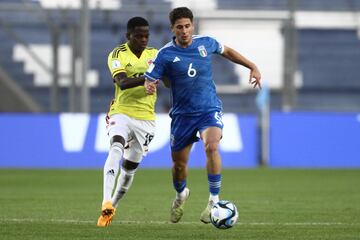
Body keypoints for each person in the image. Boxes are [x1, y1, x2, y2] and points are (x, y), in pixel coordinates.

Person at [144, 7, 261, 224]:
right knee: (179, 166)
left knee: (212, 146)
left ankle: (213, 201)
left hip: (209, 109)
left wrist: (252, 66)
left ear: (192, 25)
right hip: (182, 116)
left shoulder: (206, 42)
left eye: (188, 26)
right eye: (180, 27)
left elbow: (228, 51)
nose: (185, 30)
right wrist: (149, 86)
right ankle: (180, 195)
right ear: (172, 29)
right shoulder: (165, 54)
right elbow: (151, 79)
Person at [97, 16, 161, 227]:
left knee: (130, 168)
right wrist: (149, 77)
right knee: (115, 147)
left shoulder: (155, 55)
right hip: (121, 112)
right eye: (138, 36)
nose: (143, 39)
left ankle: (112, 206)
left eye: (146, 35)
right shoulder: (117, 54)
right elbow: (122, 82)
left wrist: (162, 78)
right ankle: (105, 201)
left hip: (146, 118)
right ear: (128, 36)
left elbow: (168, 80)